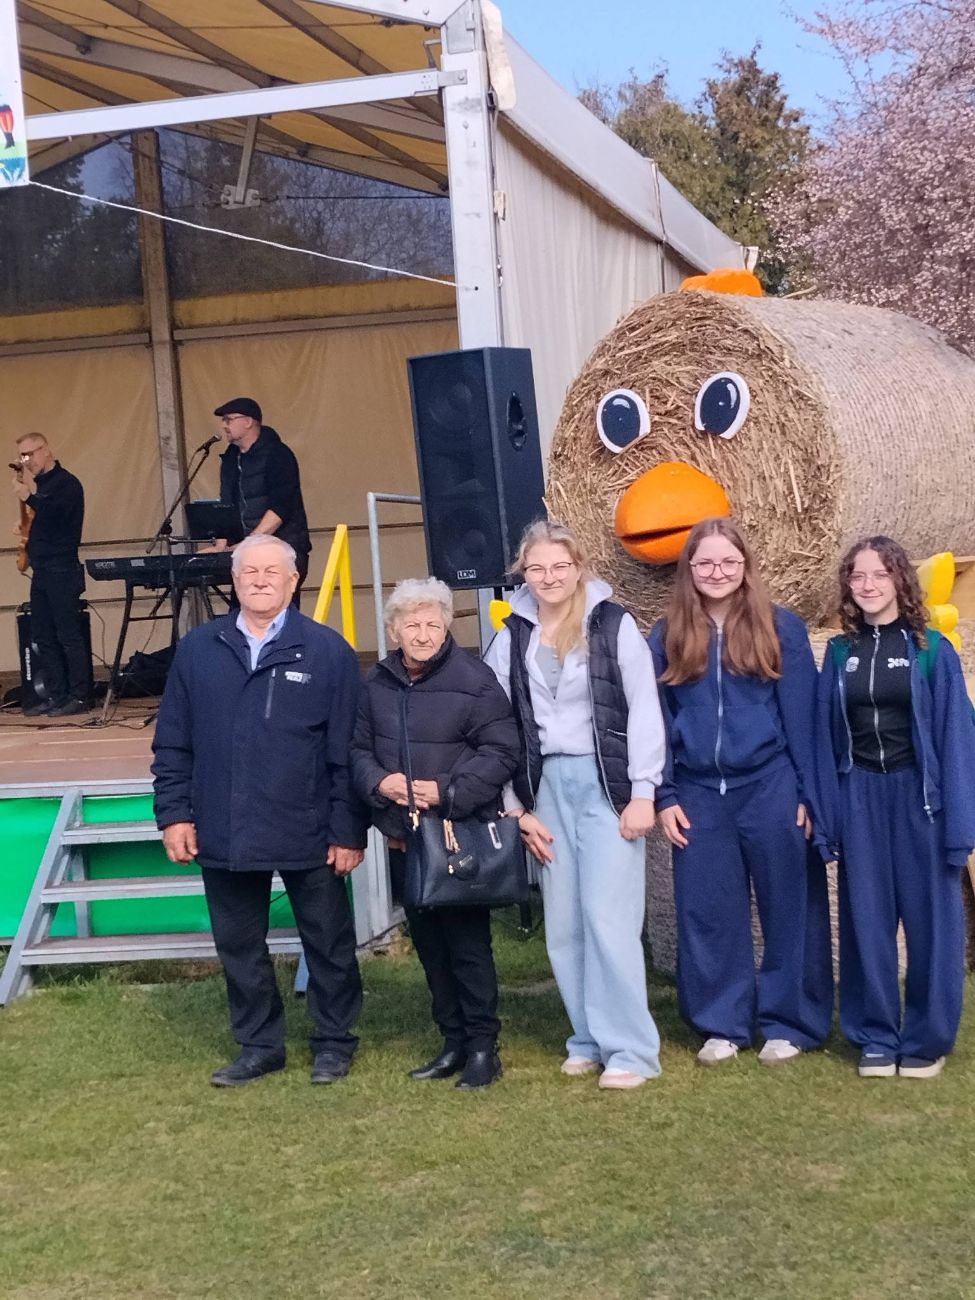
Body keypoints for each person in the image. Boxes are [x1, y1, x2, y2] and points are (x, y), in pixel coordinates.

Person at [151, 534, 367, 1088]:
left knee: (329, 942)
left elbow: (348, 750)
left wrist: (348, 830)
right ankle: (260, 1046)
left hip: (309, 826)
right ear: (234, 579)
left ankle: (334, 1043)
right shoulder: (198, 650)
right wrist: (174, 815)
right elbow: (173, 741)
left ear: (294, 582)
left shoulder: (329, 652)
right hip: (224, 824)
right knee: (239, 946)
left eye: (273, 571)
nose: (261, 580)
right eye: (250, 571)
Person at [485, 520, 665, 1090]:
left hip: (606, 784)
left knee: (609, 920)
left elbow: (644, 708)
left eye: (559, 566)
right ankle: (586, 1037)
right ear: (523, 573)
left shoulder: (613, 624)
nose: (548, 577)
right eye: (536, 568)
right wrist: (515, 806)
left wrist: (643, 792)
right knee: (564, 924)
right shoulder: (512, 634)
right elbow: (498, 724)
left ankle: (631, 1051)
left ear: (579, 567)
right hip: (545, 791)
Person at [648, 517, 833, 1068]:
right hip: (699, 793)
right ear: (689, 569)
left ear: (746, 566)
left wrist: (808, 795)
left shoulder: (781, 627)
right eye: (705, 562)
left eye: (729, 561)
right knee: (708, 912)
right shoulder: (667, 634)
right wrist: (665, 795)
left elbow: (804, 718)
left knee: (791, 906)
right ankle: (721, 1023)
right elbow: (656, 722)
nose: (717, 572)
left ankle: (789, 1022)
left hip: (771, 786)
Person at [351, 578, 520, 1090]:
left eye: (432, 624)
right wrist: (380, 784)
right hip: (404, 837)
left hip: (456, 835)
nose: (422, 634)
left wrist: (445, 791)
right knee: (429, 946)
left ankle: (484, 1048)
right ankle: (451, 1041)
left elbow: (502, 751)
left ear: (446, 627)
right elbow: (357, 750)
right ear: (393, 630)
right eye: (412, 625)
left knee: (467, 946)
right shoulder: (377, 684)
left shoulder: (475, 680)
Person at [817, 535, 975, 1079]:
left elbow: (957, 740)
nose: (868, 585)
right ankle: (876, 1036)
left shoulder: (933, 651)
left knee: (933, 925)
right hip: (861, 797)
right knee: (867, 921)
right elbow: (824, 740)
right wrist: (829, 818)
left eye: (880, 574)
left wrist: (960, 826)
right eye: (858, 576)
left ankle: (927, 1041)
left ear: (900, 580)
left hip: (921, 799)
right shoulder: (841, 653)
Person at [10, 432, 89, 717]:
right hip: (42, 570)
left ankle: (80, 695)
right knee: (43, 636)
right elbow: (44, 521)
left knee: (68, 634)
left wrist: (29, 497)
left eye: (29, 454)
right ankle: (57, 694)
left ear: (45, 450)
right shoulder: (42, 487)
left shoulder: (66, 483)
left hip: (62, 569)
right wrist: (26, 528)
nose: (27, 461)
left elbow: (58, 516)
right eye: (22, 456)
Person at [211, 397, 311, 605]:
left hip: (283, 548)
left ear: (248, 421)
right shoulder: (230, 458)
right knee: (241, 614)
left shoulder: (278, 454)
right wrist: (221, 546)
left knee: (278, 612)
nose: (224, 425)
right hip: (248, 553)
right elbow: (226, 505)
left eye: (229, 419)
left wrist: (249, 543)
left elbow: (280, 508)